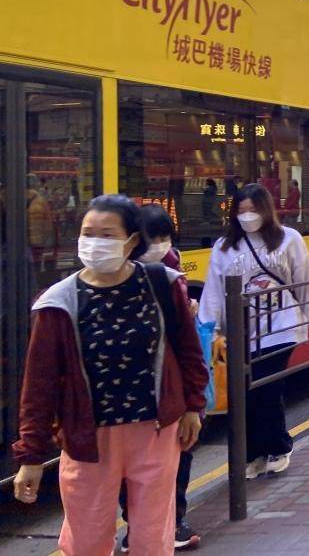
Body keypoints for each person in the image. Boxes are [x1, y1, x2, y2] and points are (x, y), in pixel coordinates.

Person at [12, 195, 207, 556]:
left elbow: (188, 349)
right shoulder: (58, 302)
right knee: (86, 541)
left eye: (106, 234)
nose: (94, 242)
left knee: (151, 540)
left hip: (155, 431)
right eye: (88, 233)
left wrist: (194, 405)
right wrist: (30, 457)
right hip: (88, 438)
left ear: (132, 241)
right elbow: (38, 386)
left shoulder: (162, 284)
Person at [198, 183, 309, 479]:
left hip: (282, 326)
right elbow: (214, 291)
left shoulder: (289, 239)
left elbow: (304, 279)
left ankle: (278, 446)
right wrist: (209, 328)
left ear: (266, 210)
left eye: (253, 210)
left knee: (266, 387)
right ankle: (253, 455)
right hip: (242, 333)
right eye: (241, 211)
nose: (247, 216)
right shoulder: (224, 247)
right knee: (245, 395)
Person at [116, 204, 202, 550]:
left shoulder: (172, 275)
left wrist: (193, 403)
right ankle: (135, 525)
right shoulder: (116, 277)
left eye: (166, 237)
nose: (161, 245)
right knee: (131, 466)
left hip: (172, 391)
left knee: (178, 456)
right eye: (155, 238)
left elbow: (189, 348)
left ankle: (173, 521)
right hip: (134, 397)